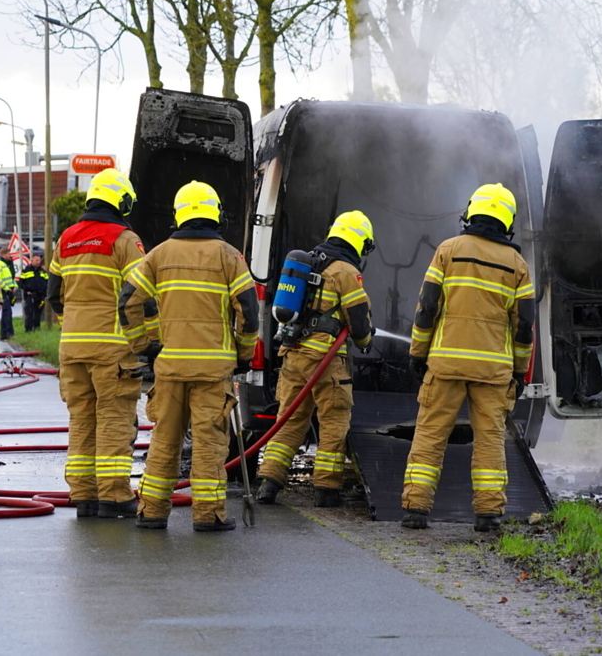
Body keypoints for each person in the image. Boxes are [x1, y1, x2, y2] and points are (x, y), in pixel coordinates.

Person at [119, 181, 259, 532]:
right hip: (213, 372)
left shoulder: (159, 255)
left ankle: (151, 512)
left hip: (170, 370)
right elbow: (248, 311)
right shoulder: (229, 256)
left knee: (164, 441)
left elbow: (128, 302)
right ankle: (209, 515)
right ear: (216, 213)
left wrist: (144, 346)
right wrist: (243, 354)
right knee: (210, 444)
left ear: (179, 214)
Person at [400, 183, 534, 532]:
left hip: (445, 365)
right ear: (507, 221)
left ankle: (416, 510)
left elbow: (427, 308)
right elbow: (524, 326)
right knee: (490, 440)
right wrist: (520, 371)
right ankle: (488, 515)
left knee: (430, 435)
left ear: (471, 212)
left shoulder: (449, 251)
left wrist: (418, 352)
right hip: (493, 372)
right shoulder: (517, 265)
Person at [255, 211, 375, 508]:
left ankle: (269, 483)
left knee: (289, 420)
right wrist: (366, 342)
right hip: (326, 362)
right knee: (334, 423)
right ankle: (326, 490)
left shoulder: (309, 262)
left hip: (293, 356)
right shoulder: (346, 272)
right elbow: (359, 321)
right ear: (360, 242)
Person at [47, 168, 149, 519]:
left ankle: (84, 494)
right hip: (113, 349)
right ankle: (115, 495)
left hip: (72, 348)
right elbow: (140, 295)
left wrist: (74, 325)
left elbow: (54, 295)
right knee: (114, 419)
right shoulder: (125, 240)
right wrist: (148, 341)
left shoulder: (66, 238)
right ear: (121, 201)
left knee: (81, 419)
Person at [17, 253, 48, 332]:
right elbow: (20, 283)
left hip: (40, 295)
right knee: (29, 313)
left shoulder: (43, 271)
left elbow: (47, 283)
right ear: (32, 261)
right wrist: (27, 291)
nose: (38, 262)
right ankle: (28, 330)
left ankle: (37, 328)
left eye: (39, 260)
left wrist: (44, 293)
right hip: (30, 295)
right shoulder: (26, 271)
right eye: (36, 260)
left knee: (38, 313)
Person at [0, 247, 17, 340]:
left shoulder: (6, 264)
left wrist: (15, 286)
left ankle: (4, 334)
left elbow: (11, 277)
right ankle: (8, 333)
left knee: (6, 313)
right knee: (7, 312)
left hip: (8, 291)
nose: (10, 255)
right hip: (3, 292)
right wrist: (7, 289)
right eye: (8, 254)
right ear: (3, 254)